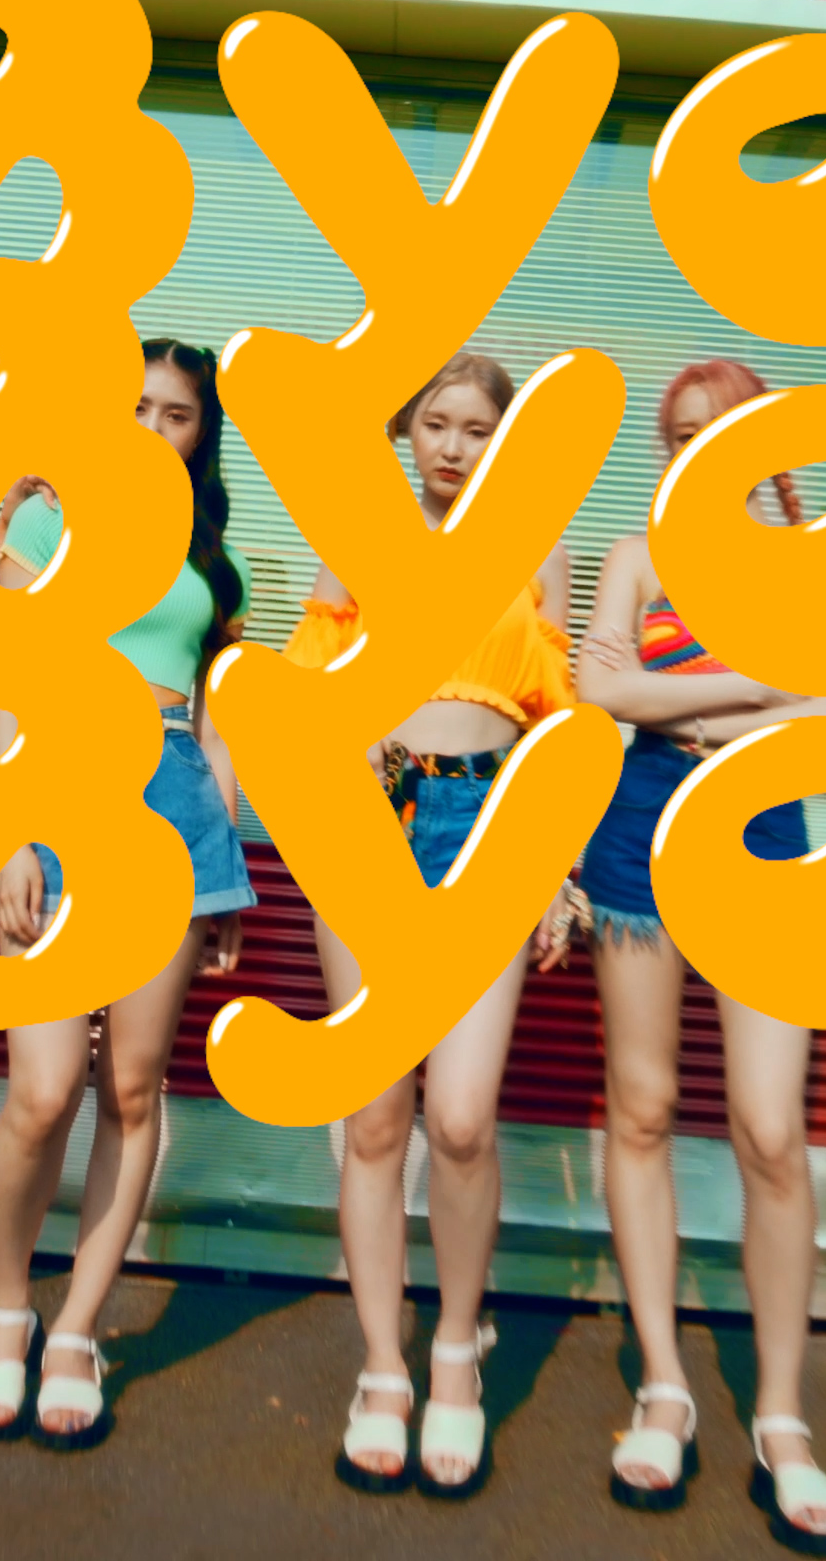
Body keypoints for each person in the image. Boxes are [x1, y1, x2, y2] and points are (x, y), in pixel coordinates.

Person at [566, 358, 826, 1554]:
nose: (693, 451)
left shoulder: (806, 563)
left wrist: (680, 701)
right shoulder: (635, 556)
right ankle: (664, 1388)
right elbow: (594, 690)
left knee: (769, 1130)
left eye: (717, 431)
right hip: (636, 826)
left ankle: (782, 1418)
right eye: (677, 435)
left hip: (763, 833)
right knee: (641, 1109)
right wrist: (753, 689)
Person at [0, 337, 256, 1447]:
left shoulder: (214, 561)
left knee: (132, 1088)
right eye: (137, 406)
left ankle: (78, 1328)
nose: (153, 427)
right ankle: (7, 1310)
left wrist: (226, 869)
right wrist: (7, 831)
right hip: (52, 792)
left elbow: (217, 722)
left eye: (177, 413)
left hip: (174, 810)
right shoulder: (47, 523)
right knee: (42, 1092)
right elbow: (0, 672)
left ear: (201, 434)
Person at [290, 350, 576, 1499]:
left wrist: (554, 867)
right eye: (435, 425)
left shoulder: (536, 545)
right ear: (408, 435)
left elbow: (558, 718)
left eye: (475, 429)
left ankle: (456, 1348)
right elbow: (308, 683)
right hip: (369, 817)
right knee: (374, 1117)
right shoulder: (361, 536)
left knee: (459, 1120)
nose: (452, 447)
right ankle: (383, 1369)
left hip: (488, 819)